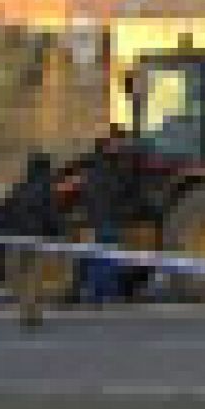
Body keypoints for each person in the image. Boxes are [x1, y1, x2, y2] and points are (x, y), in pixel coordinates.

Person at [3, 153, 59, 330]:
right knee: (34, 276)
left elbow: (8, 209)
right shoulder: (45, 189)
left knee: (20, 275)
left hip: (17, 236)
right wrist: (58, 233)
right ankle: (32, 313)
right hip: (36, 236)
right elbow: (49, 214)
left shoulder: (19, 187)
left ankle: (25, 310)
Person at [78, 131, 132, 306]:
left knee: (100, 256)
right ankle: (107, 293)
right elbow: (117, 192)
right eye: (114, 144)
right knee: (109, 257)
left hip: (97, 218)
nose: (119, 147)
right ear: (106, 147)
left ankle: (97, 294)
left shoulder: (91, 171)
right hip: (107, 218)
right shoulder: (108, 171)